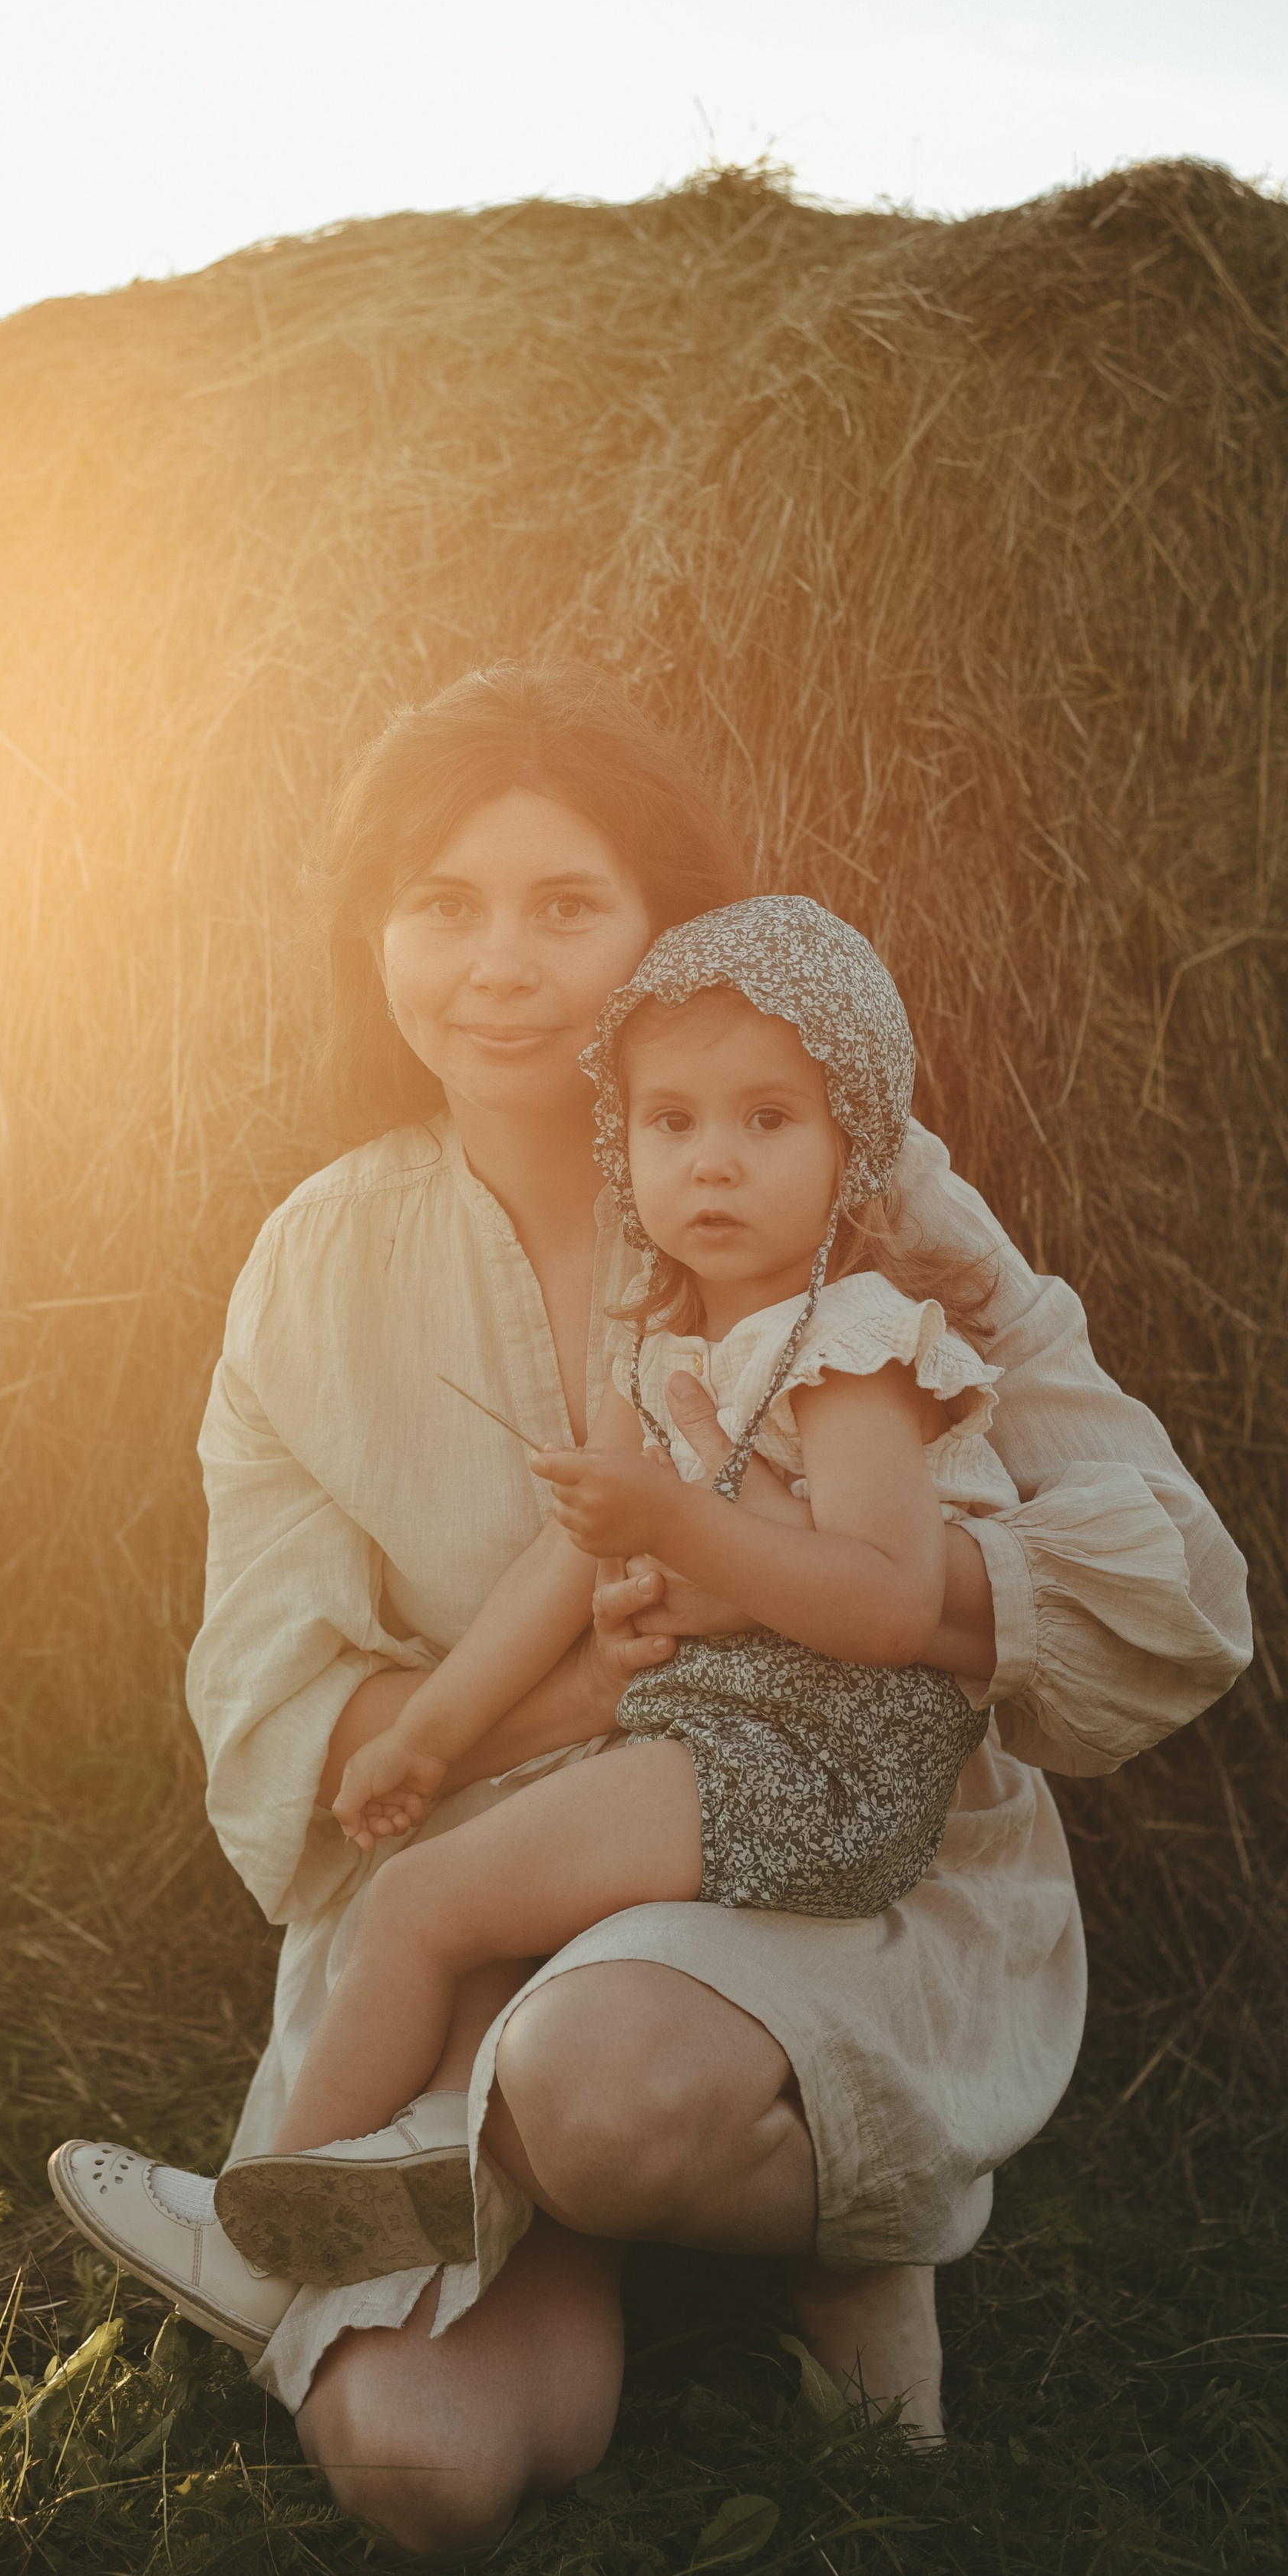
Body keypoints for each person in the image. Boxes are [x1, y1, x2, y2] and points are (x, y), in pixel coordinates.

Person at [48, 663, 1250, 2552]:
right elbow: (281, 1741)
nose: (496, 963)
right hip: (485, 1862)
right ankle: (443, 2206)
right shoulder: (310, 1264)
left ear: (658, 938)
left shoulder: (805, 1175)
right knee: (422, 2476)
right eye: (440, 904)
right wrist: (554, 1707)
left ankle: (843, 2215)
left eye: (562, 906)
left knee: (601, 2090)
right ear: (371, 937)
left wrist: (819, 1601)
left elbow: (1173, 1601)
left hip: (815, 1856)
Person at [211, 893, 1020, 2294]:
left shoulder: (859, 1346)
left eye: (768, 1122)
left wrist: (678, 1528)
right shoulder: (667, 1346)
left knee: (419, 1906)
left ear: (855, 1148)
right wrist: (429, 1737)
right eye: (672, 1125)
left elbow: (896, 1607)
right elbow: (564, 1563)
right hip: (720, 1738)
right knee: (451, 1906)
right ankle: (408, 2173)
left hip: (817, 1759)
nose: (714, 1165)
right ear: (623, 1142)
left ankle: (260, 2246)